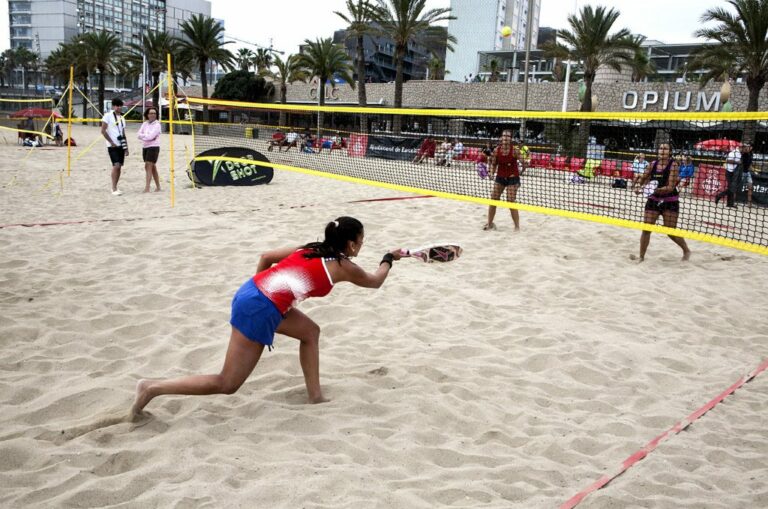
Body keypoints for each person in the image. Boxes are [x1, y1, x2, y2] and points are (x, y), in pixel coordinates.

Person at [131, 217, 403, 416]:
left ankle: (315, 396)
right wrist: (389, 257)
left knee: (310, 332)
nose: (361, 245)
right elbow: (375, 281)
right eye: (361, 241)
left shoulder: (308, 248)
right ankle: (152, 387)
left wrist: (260, 290)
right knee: (227, 383)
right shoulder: (345, 267)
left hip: (252, 292)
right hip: (261, 307)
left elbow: (266, 257)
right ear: (350, 244)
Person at [632, 143, 691, 262]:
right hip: (653, 200)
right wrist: (638, 187)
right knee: (646, 229)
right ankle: (641, 257)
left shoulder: (673, 165)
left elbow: (670, 187)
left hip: (670, 201)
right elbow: (642, 179)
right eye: (660, 148)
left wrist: (651, 189)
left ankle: (686, 250)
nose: (662, 150)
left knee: (670, 231)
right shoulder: (652, 164)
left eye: (665, 148)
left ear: (669, 152)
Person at [484, 130, 521, 231]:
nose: (505, 137)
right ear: (501, 137)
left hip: (513, 178)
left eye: (508, 136)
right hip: (500, 177)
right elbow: (494, 164)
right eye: (504, 135)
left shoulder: (515, 150)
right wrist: (491, 173)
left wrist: (525, 164)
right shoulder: (497, 150)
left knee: (510, 201)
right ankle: (490, 223)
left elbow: (523, 161)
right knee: (493, 199)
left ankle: (517, 227)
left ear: (510, 139)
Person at [101, 98, 128, 196]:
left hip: (121, 144)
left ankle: (116, 186)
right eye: (117, 105)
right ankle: (113, 187)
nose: (119, 107)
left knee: (119, 167)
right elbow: (103, 131)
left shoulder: (122, 118)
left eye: (120, 105)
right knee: (116, 165)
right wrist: (111, 142)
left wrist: (126, 147)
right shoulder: (107, 116)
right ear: (113, 106)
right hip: (112, 145)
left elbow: (123, 133)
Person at [137, 107, 162, 193]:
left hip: (154, 147)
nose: (152, 115)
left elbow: (150, 137)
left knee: (148, 165)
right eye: (151, 113)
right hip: (145, 146)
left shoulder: (157, 125)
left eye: (154, 113)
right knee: (152, 167)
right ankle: (158, 186)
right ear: (147, 115)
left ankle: (147, 188)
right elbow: (138, 134)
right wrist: (145, 136)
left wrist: (144, 136)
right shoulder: (145, 124)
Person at [737, 142, 754, 207]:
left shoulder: (751, 154)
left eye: (749, 146)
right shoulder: (744, 153)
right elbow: (743, 150)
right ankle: (732, 200)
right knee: (736, 186)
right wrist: (745, 147)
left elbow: (750, 164)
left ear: (751, 147)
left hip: (747, 172)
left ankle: (749, 203)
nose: (748, 147)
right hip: (741, 172)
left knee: (750, 187)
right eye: (747, 146)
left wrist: (753, 170)